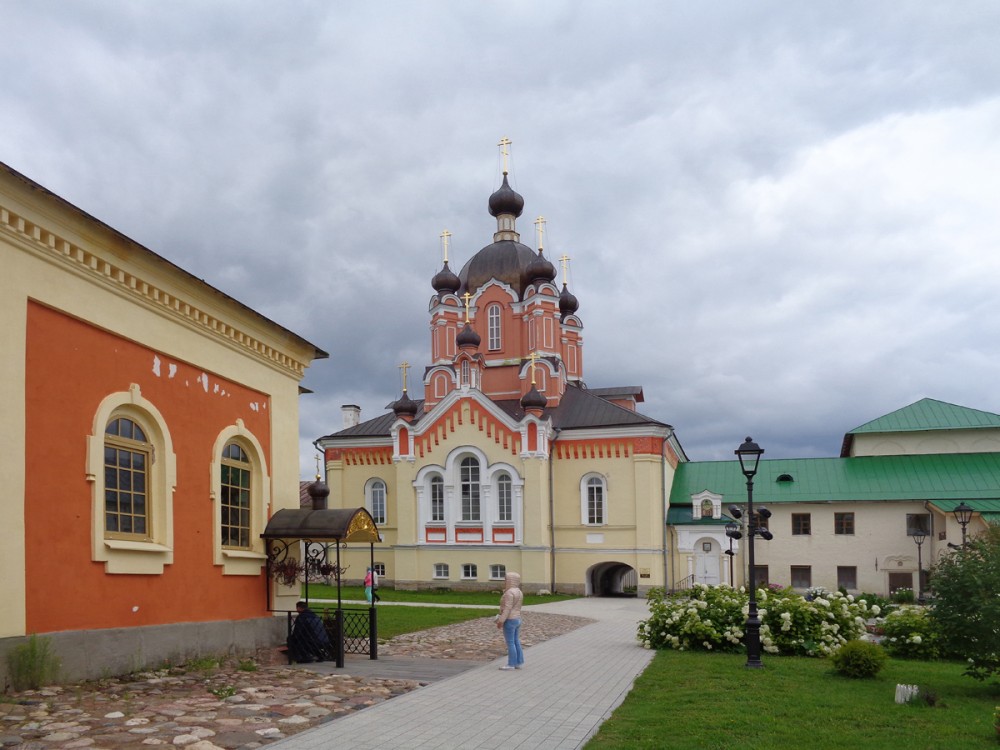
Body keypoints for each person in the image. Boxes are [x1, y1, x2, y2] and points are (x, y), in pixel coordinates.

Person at [496, 571, 524, 670]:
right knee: (516, 641)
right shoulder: (519, 591)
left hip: (510, 620)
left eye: (506, 579)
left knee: (510, 642)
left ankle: (511, 664)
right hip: (517, 619)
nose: (504, 581)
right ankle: (518, 662)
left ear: (510, 580)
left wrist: (501, 621)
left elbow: (507, 608)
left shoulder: (509, 593)